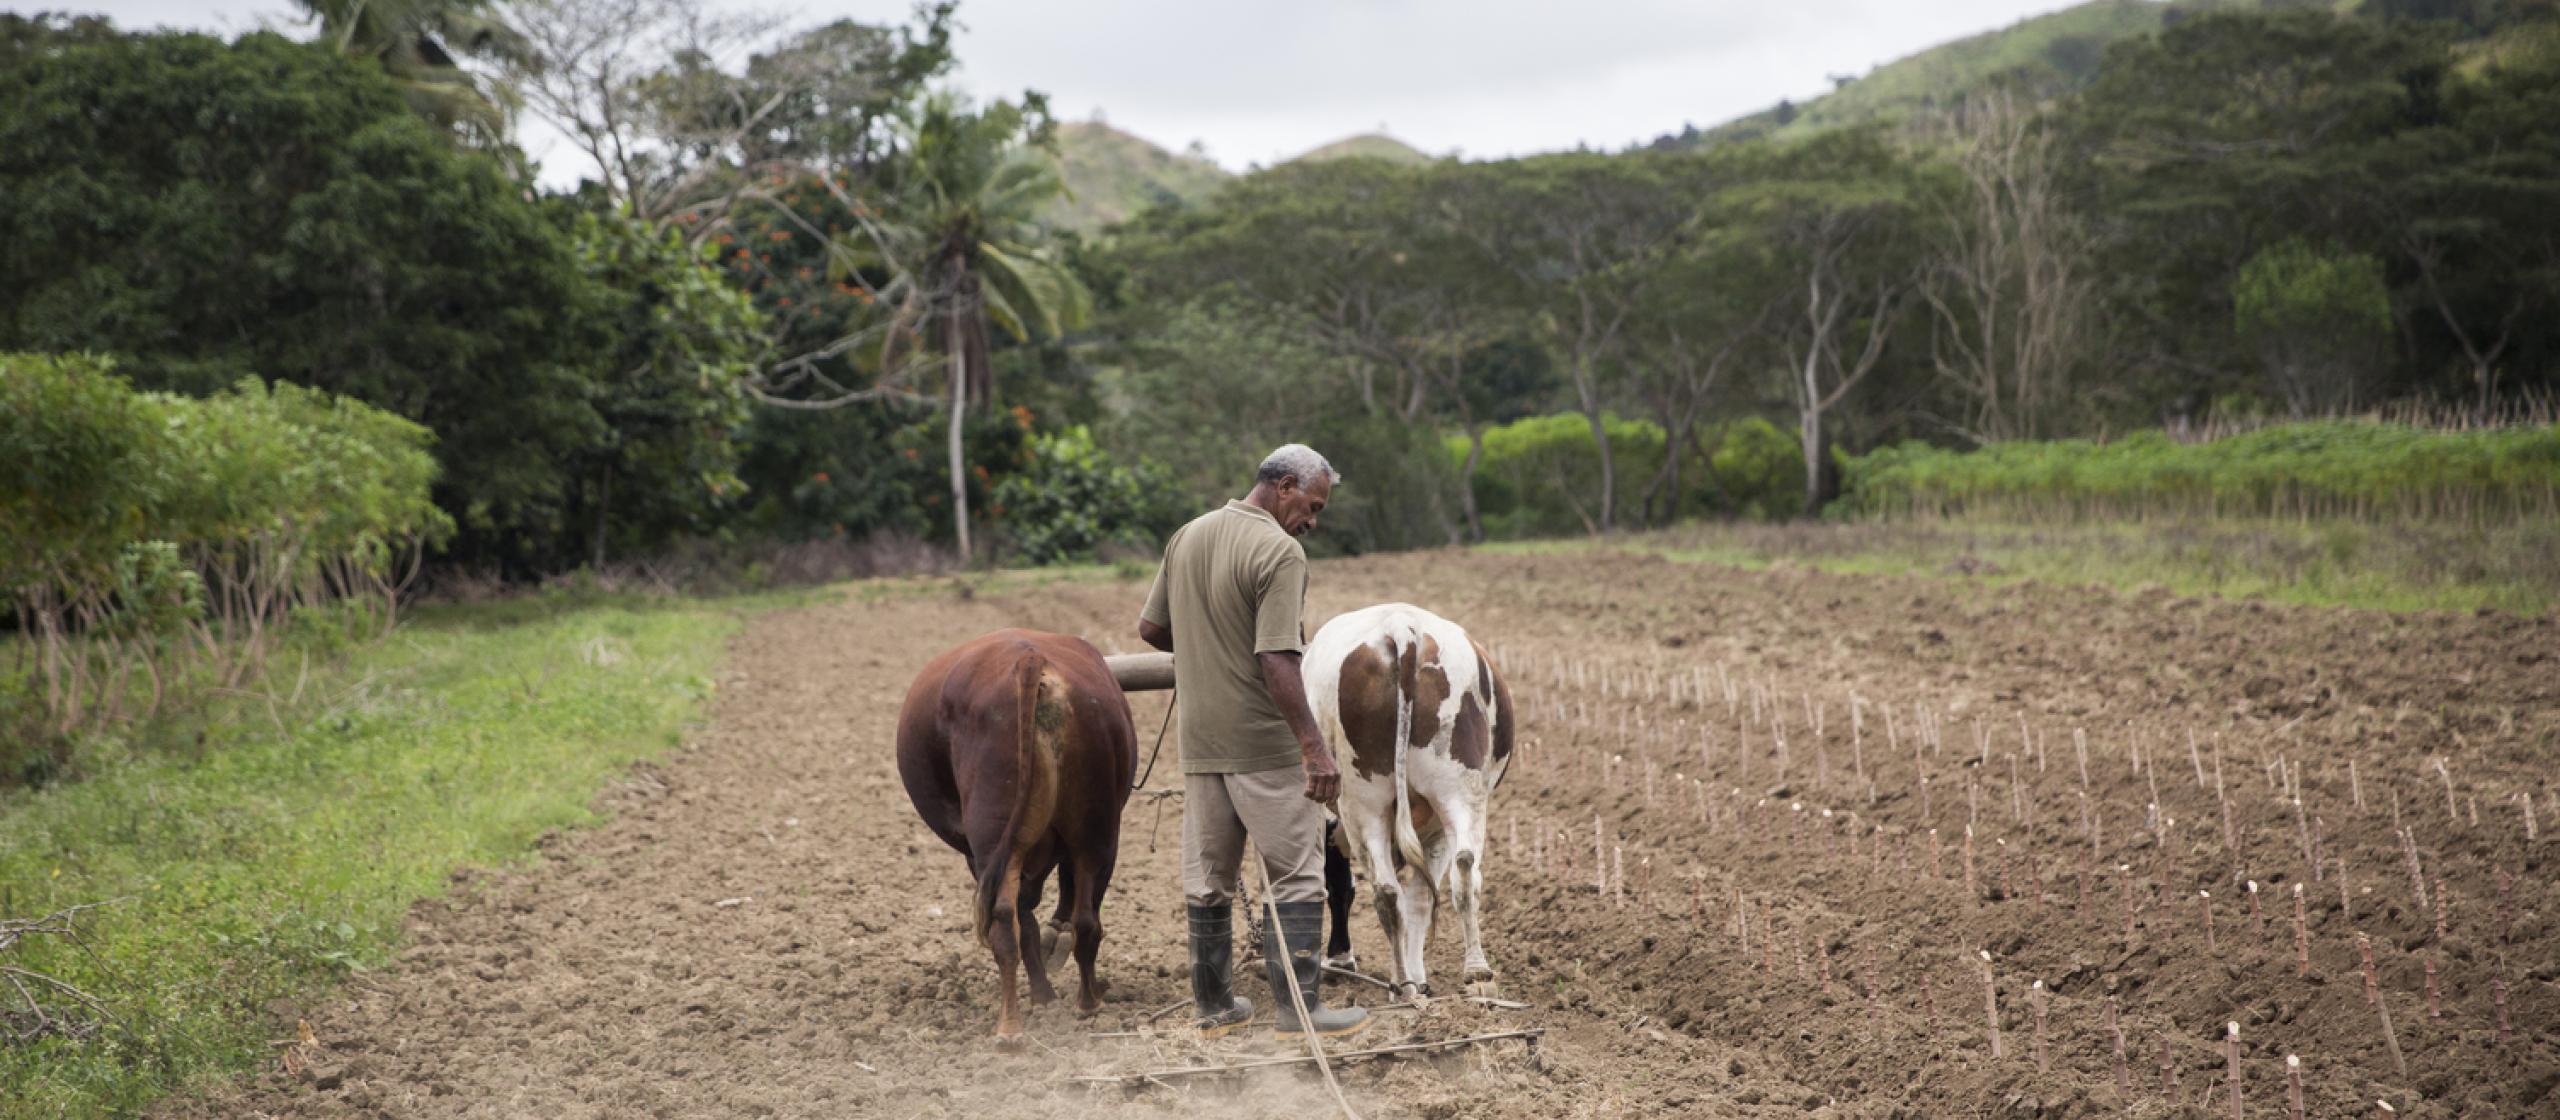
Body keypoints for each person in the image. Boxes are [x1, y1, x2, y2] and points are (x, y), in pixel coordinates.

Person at [1137, 444, 1370, 1040]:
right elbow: (1276, 657)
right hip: (1262, 745)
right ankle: (1300, 1010)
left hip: (1200, 743)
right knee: (1297, 875)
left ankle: (1214, 1007)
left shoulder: (1187, 536)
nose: (1314, 520)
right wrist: (1314, 747)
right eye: (1313, 505)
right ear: (1285, 486)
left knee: (1208, 876)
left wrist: (1207, 650)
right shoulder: (1279, 551)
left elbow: (1152, 629)